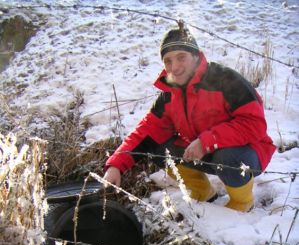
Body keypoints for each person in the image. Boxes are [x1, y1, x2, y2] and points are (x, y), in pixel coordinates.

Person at [104, 22, 276, 212]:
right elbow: (145, 132)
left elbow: (254, 124)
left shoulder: (226, 80)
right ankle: (203, 193)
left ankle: (242, 203)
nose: (174, 67)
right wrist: (116, 166)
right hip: (202, 152)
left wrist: (206, 142)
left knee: (226, 156)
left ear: (195, 56)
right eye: (168, 61)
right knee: (155, 147)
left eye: (181, 57)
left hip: (247, 153)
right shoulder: (170, 94)